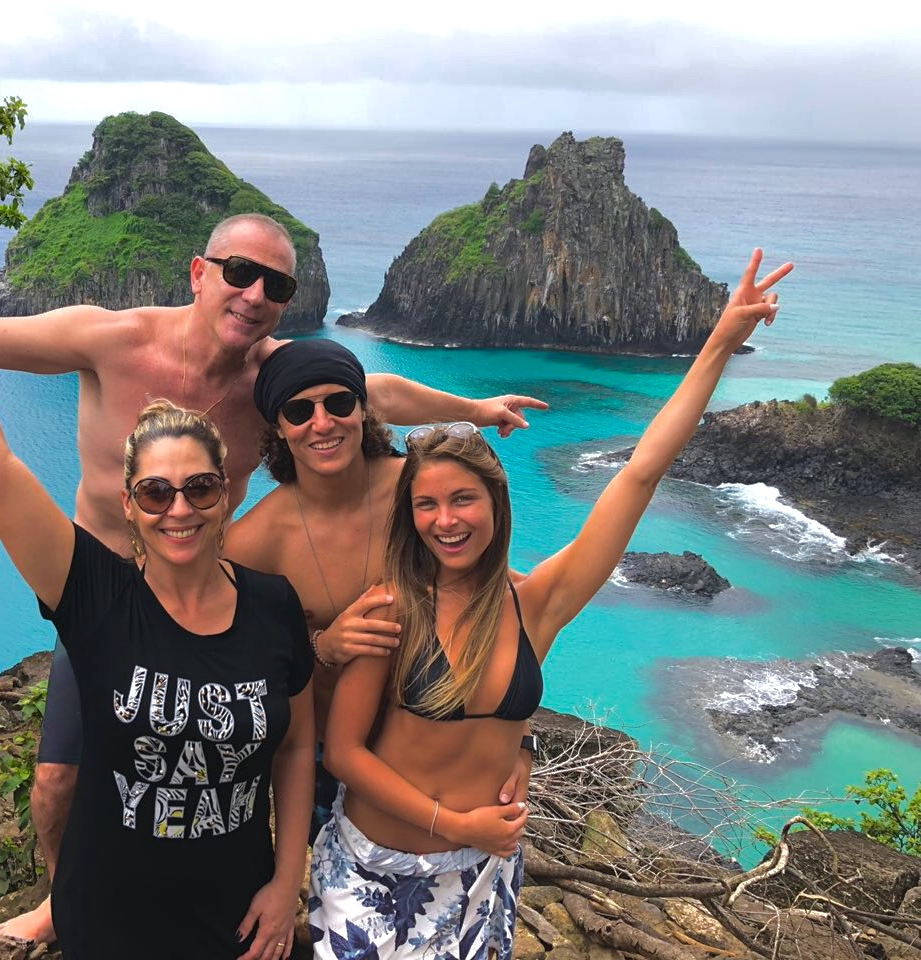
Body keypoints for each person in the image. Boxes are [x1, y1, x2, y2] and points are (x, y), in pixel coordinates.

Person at [0, 185, 543, 944]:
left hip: (203, 604)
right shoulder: (110, 338)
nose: (254, 294)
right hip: (99, 600)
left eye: (277, 285)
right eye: (239, 272)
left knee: (255, 754)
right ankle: (68, 903)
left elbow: (375, 394)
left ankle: (294, 883)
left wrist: (474, 406)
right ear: (199, 271)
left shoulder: (274, 375)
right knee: (58, 784)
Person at [0, 191, 315, 959]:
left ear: (231, 488)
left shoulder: (271, 608)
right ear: (128, 507)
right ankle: (56, 896)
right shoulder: (97, 600)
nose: (181, 508)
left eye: (203, 488)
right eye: (156, 492)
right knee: (59, 781)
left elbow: (295, 749)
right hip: (111, 920)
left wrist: (286, 880)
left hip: (233, 920)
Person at [311, 251, 794, 959]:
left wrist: (719, 342)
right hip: (374, 874)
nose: (446, 520)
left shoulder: (536, 605)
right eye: (426, 504)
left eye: (463, 499)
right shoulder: (391, 607)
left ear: (495, 504)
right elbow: (346, 753)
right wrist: (457, 822)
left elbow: (639, 474)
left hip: (482, 880)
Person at [225, 340, 538, 846]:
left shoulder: (415, 491)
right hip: (337, 762)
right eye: (300, 411)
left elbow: (509, 606)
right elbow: (230, 663)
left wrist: (520, 741)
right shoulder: (256, 542)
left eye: (340, 403)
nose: (323, 423)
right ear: (279, 428)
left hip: (436, 753)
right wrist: (319, 648)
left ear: (363, 410)